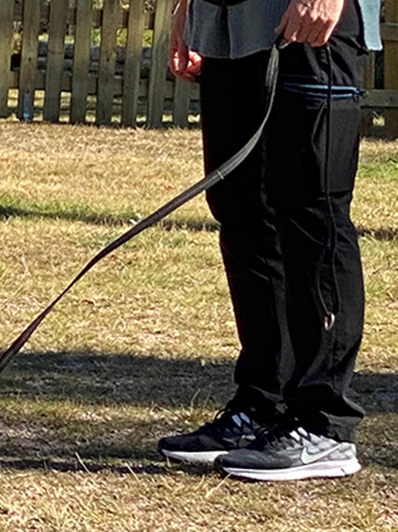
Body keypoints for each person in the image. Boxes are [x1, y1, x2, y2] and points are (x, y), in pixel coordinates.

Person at [157, 0, 380, 481]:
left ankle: (325, 423)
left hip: (309, 21)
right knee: (241, 209)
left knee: (312, 212)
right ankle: (263, 405)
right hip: (228, 23)